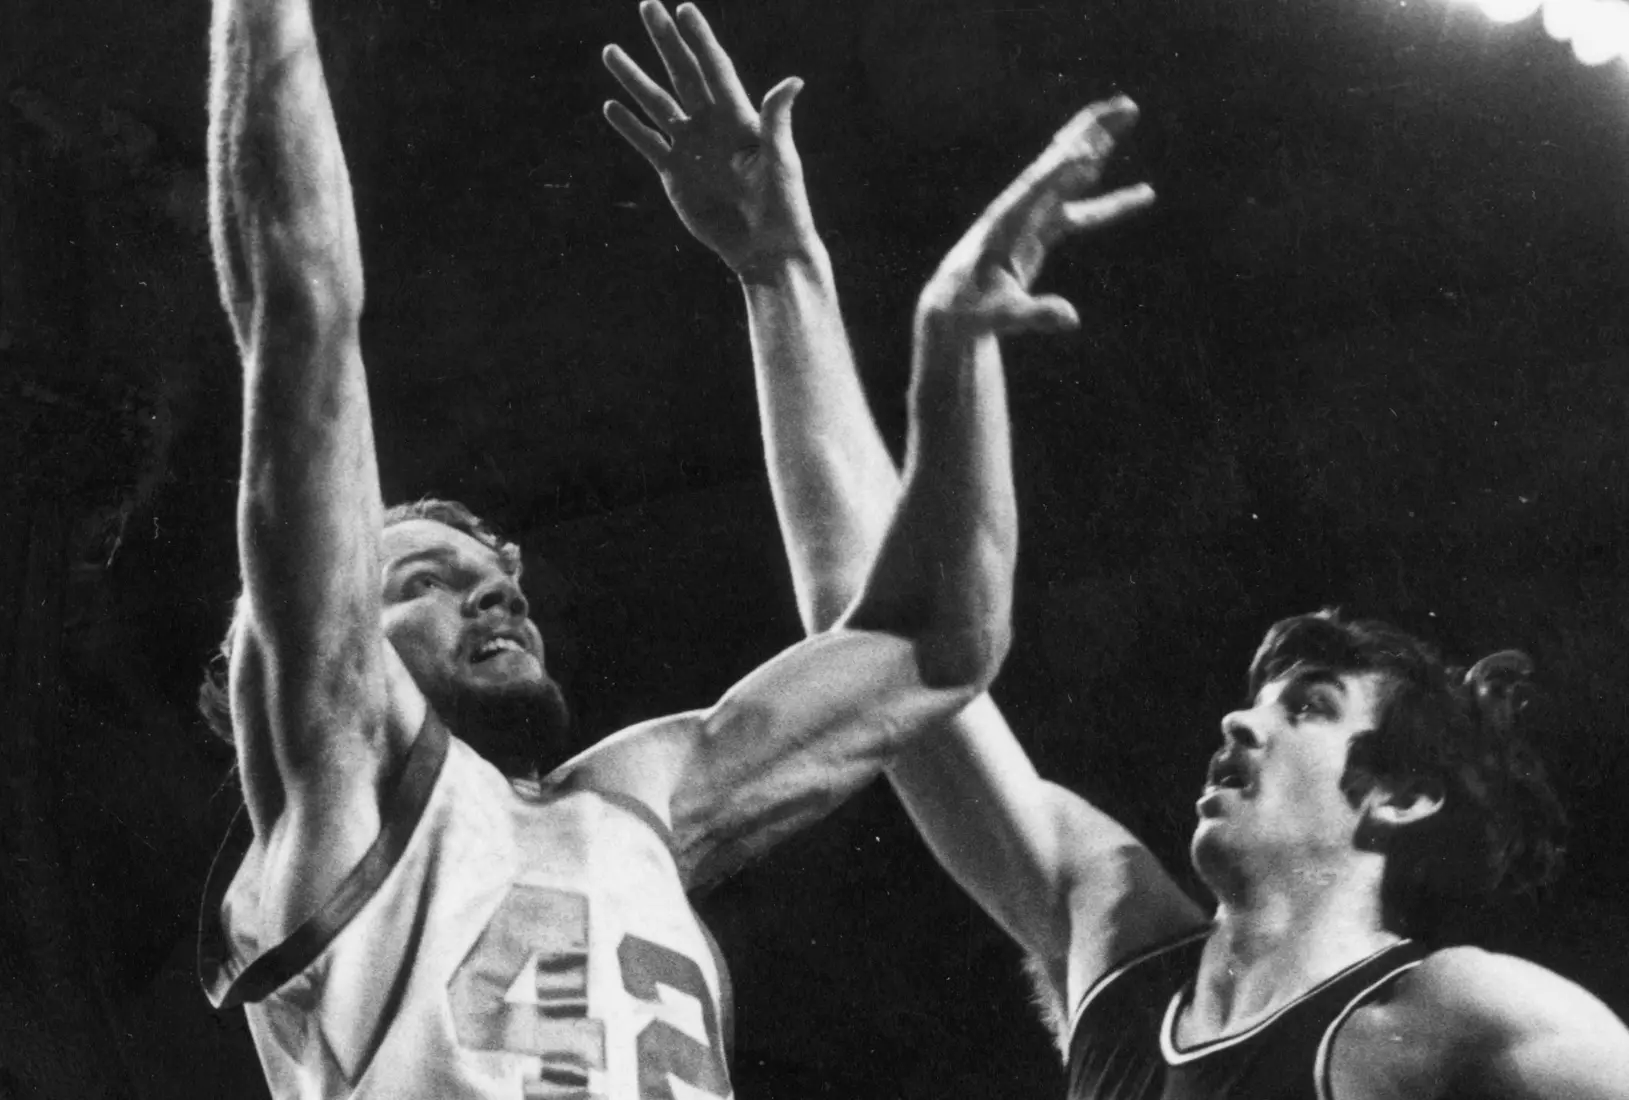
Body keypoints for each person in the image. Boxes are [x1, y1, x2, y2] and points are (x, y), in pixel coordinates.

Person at [603, 10, 1629, 1094]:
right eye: (1263, 694)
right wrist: (784, 275)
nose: (1241, 716)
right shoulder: (1110, 930)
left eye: (1311, 704)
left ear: (1402, 794)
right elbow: (876, 652)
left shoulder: (1472, 1017)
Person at [193, 0, 1018, 1096]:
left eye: (495, 581)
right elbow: (297, 309)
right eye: (426, 580)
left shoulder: (636, 798)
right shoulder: (342, 782)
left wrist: (787, 271)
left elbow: (941, 639)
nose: (493, 597)